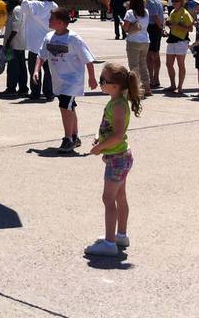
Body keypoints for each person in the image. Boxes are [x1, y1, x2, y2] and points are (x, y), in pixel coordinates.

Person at [84, 62, 142, 257]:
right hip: (120, 156)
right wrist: (100, 139)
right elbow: (111, 131)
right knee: (120, 197)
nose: (100, 84)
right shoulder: (116, 102)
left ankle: (109, 243)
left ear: (115, 86)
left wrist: (99, 147)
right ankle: (121, 235)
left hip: (117, 158)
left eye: (103, 81)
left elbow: (118, 135)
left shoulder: (118, 106)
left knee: (108, 199)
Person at [33, 7, 97, 153]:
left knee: (64, 106)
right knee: (69, 106)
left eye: (51, 19)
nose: (49, 21)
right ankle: (75, 136)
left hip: (72, 80)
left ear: (61, 23)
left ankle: (68, 139)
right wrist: (36, 70)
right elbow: (41, 55)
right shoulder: (49, 37)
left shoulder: (74, 38)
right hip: (59, 81)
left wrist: (92, 78)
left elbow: (88, 59)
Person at [23, 0, 58, 101]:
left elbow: (22, 2)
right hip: (50, 44)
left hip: (35, 46)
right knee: (49, 71)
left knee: (35, 70)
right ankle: (49, 93)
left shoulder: (35, 4)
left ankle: (35, 93)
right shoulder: (55, 6)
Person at [164, 0, 194, 94]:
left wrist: (177, 26)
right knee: (169, 64)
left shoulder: (185, 13)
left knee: (180, 64)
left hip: (181, 41)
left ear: (181, 2)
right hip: (172, 39)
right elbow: (170, 22)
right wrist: (168, 24)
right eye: (173, 1)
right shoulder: (172, 12)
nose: (174, 3)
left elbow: (190, 28)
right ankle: (173, 84)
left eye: (176, 1)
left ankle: (180, 87)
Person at [122, 0, 151, 97]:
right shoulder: (146, 12)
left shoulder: (130, 12)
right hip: (145, 40)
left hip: (133, 41)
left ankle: (137, 89)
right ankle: (147, 87)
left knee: (134, 66)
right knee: (143, 64)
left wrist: (122, 23)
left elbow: (125, 28)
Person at [2, 0, 28, 96]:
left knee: (13, 67)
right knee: (21, 67)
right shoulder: (24, 9)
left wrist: (8, 41)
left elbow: (15, 26)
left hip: (14, 43)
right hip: (20, 43)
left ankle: (11, 88)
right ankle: (23, 88)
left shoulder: (17, 9)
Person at [143, 0, 165, 90]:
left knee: (149, 56)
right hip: (156, 28)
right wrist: (161, 28)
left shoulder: (150, 0)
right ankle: (156, 79)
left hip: (152, 28)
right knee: (156, 54)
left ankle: (151, 79)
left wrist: (160, 27)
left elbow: (155, 16)